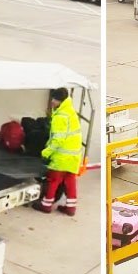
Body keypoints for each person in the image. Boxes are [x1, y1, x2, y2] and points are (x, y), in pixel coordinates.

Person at [33, 87, 82, 216]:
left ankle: (46, 205)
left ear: (60, 100)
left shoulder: (60, 116)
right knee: (70, 182)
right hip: (74, 155)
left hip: (62, 156)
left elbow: (58, 140)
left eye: (55, 99)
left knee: (53, 180)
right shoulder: (70, 111)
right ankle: (71, 208)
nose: (52, 101)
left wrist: (46, 152)